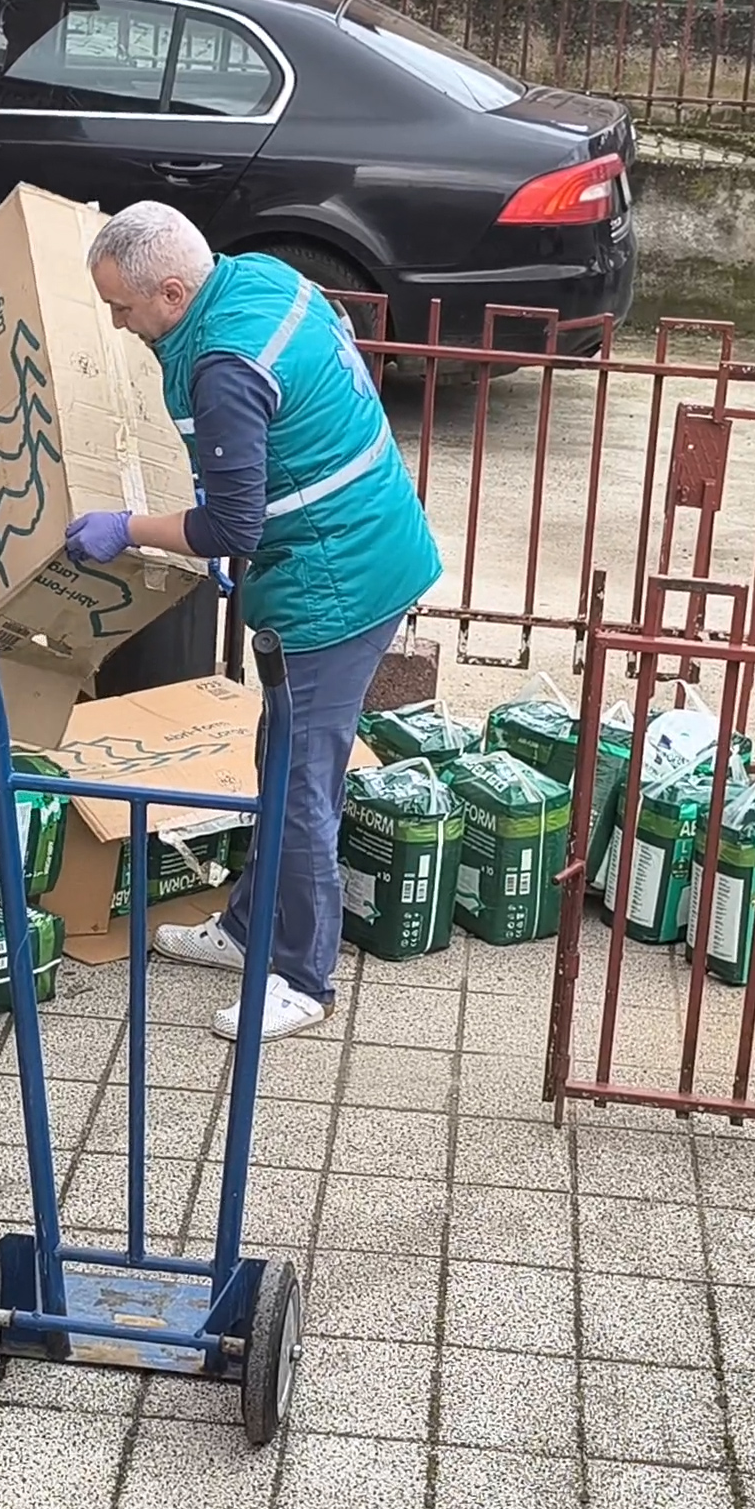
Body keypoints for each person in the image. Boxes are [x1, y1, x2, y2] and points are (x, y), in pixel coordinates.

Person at [71, 201, 441, 1043]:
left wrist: (128, 528)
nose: (119, 326)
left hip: (338, 582)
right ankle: (247, 928)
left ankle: (304, 978)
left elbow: (232, 528)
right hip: (360, 543)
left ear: (172, 292)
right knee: (282, 758)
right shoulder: (258, 279)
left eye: (123, 308)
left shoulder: (225, 364)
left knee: (299, 781)